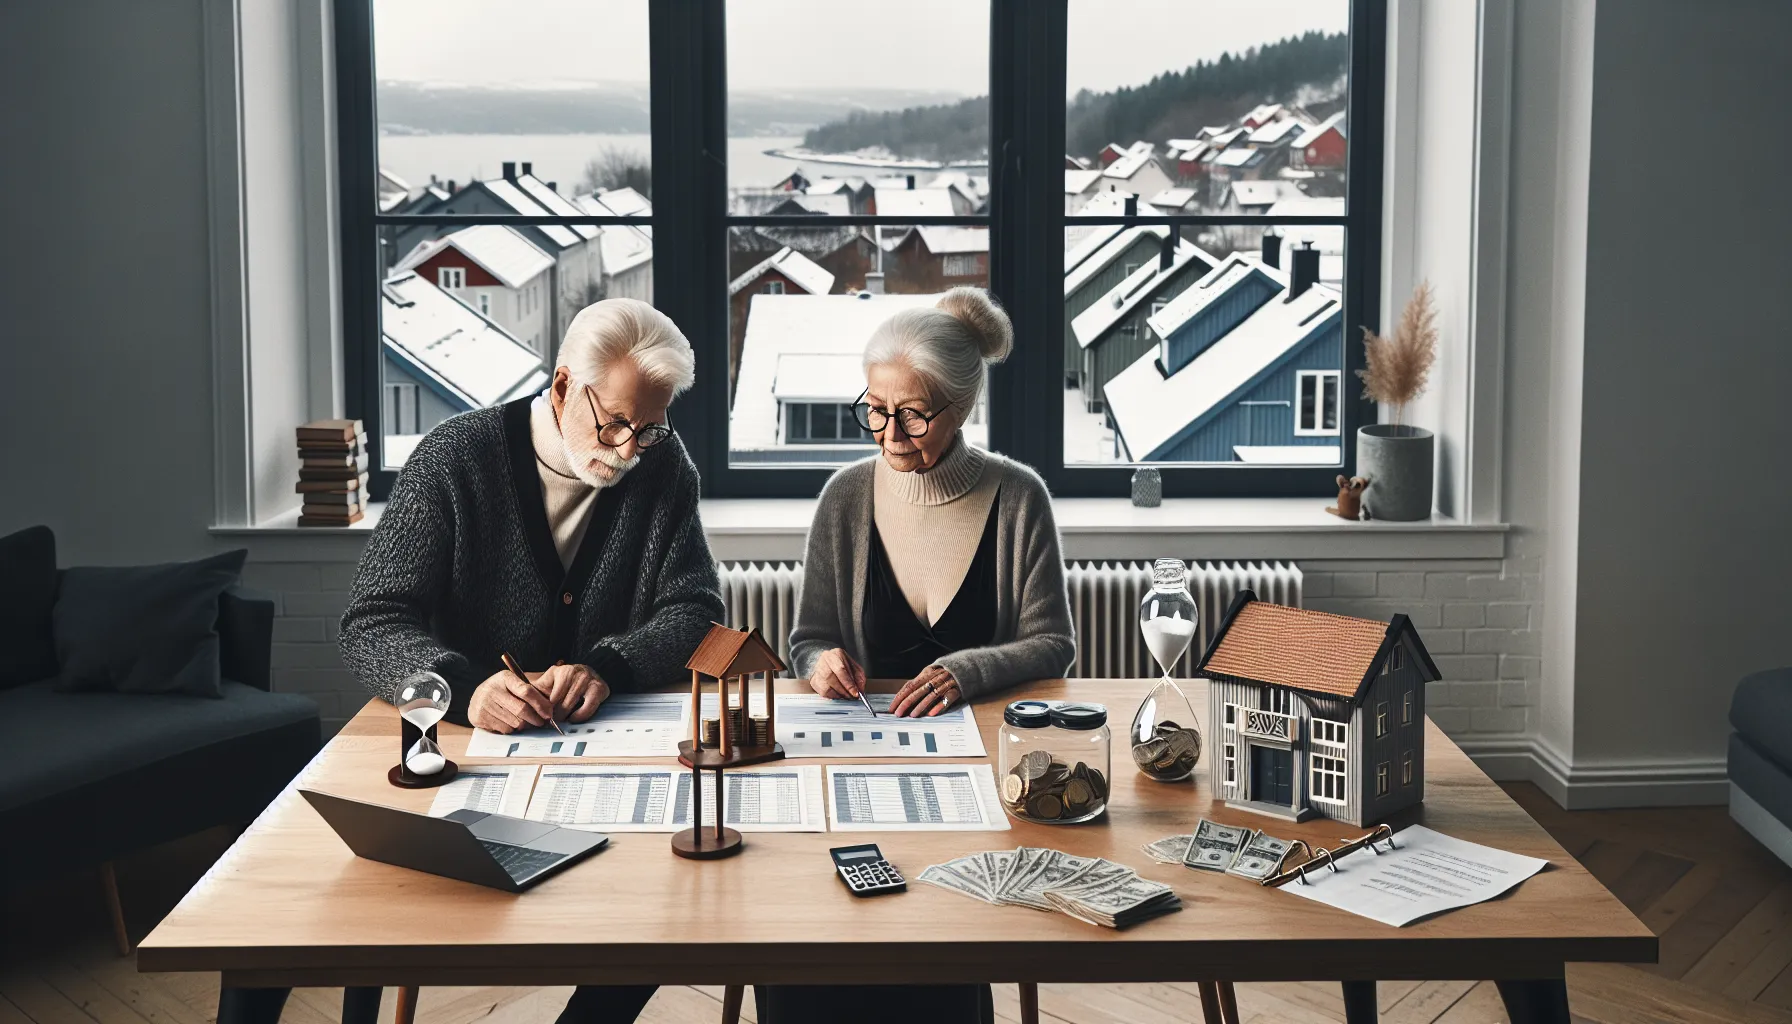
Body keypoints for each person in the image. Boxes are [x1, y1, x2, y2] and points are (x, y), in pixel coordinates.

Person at [218, 299, 723, 1024]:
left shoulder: (663, 467)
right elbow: (372, 620)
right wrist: (464, 688)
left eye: (649, 428)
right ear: (562, 386)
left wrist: (608, 666)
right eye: (615, 421)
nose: (628, 448)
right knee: (275, 924)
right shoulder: (455, 457)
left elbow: (696, 610)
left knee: (661, 911)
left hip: (595, 757)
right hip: (454, 756)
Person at [768, 287, 1075, 1024]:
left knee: (943, 951)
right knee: (813, 955)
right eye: (875, 409)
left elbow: (1054, 643)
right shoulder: (844, 498)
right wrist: (819, 663)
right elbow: (806, 638)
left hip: (982, 779)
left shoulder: (1019, 498)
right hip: (861, 769)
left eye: (912, 414)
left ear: (961, 407)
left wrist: (969, 670)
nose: (890, 434)